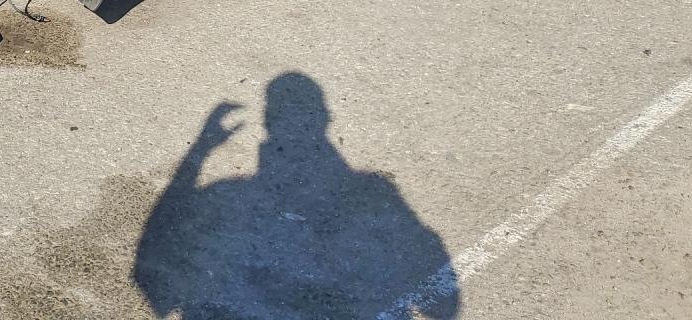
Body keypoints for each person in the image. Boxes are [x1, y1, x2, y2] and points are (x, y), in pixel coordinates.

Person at [134, 72, 459, 319]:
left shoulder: (224, 194)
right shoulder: (375, 191)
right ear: (326, 118)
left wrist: (202, 149)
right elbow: (445, 303)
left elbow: (149, 274)